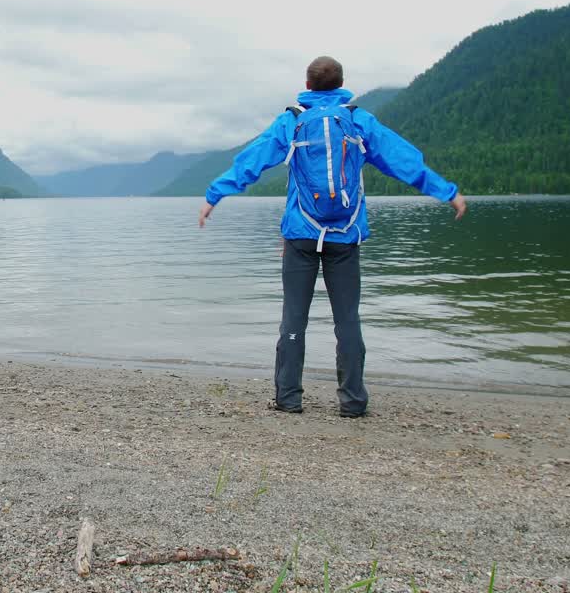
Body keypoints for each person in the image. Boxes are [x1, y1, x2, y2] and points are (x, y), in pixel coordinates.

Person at [198, 56, 466, 418]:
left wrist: (214, 195)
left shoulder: (291, 121)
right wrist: (446, 191)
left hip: (300, 235)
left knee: (294, 318)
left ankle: (288, 399)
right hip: (345, 236)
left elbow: (252, 162)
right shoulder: (357, 120)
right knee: (347, 320)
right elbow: (401, 160)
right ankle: (353, 402)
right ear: (341, 84)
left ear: (307, 86)